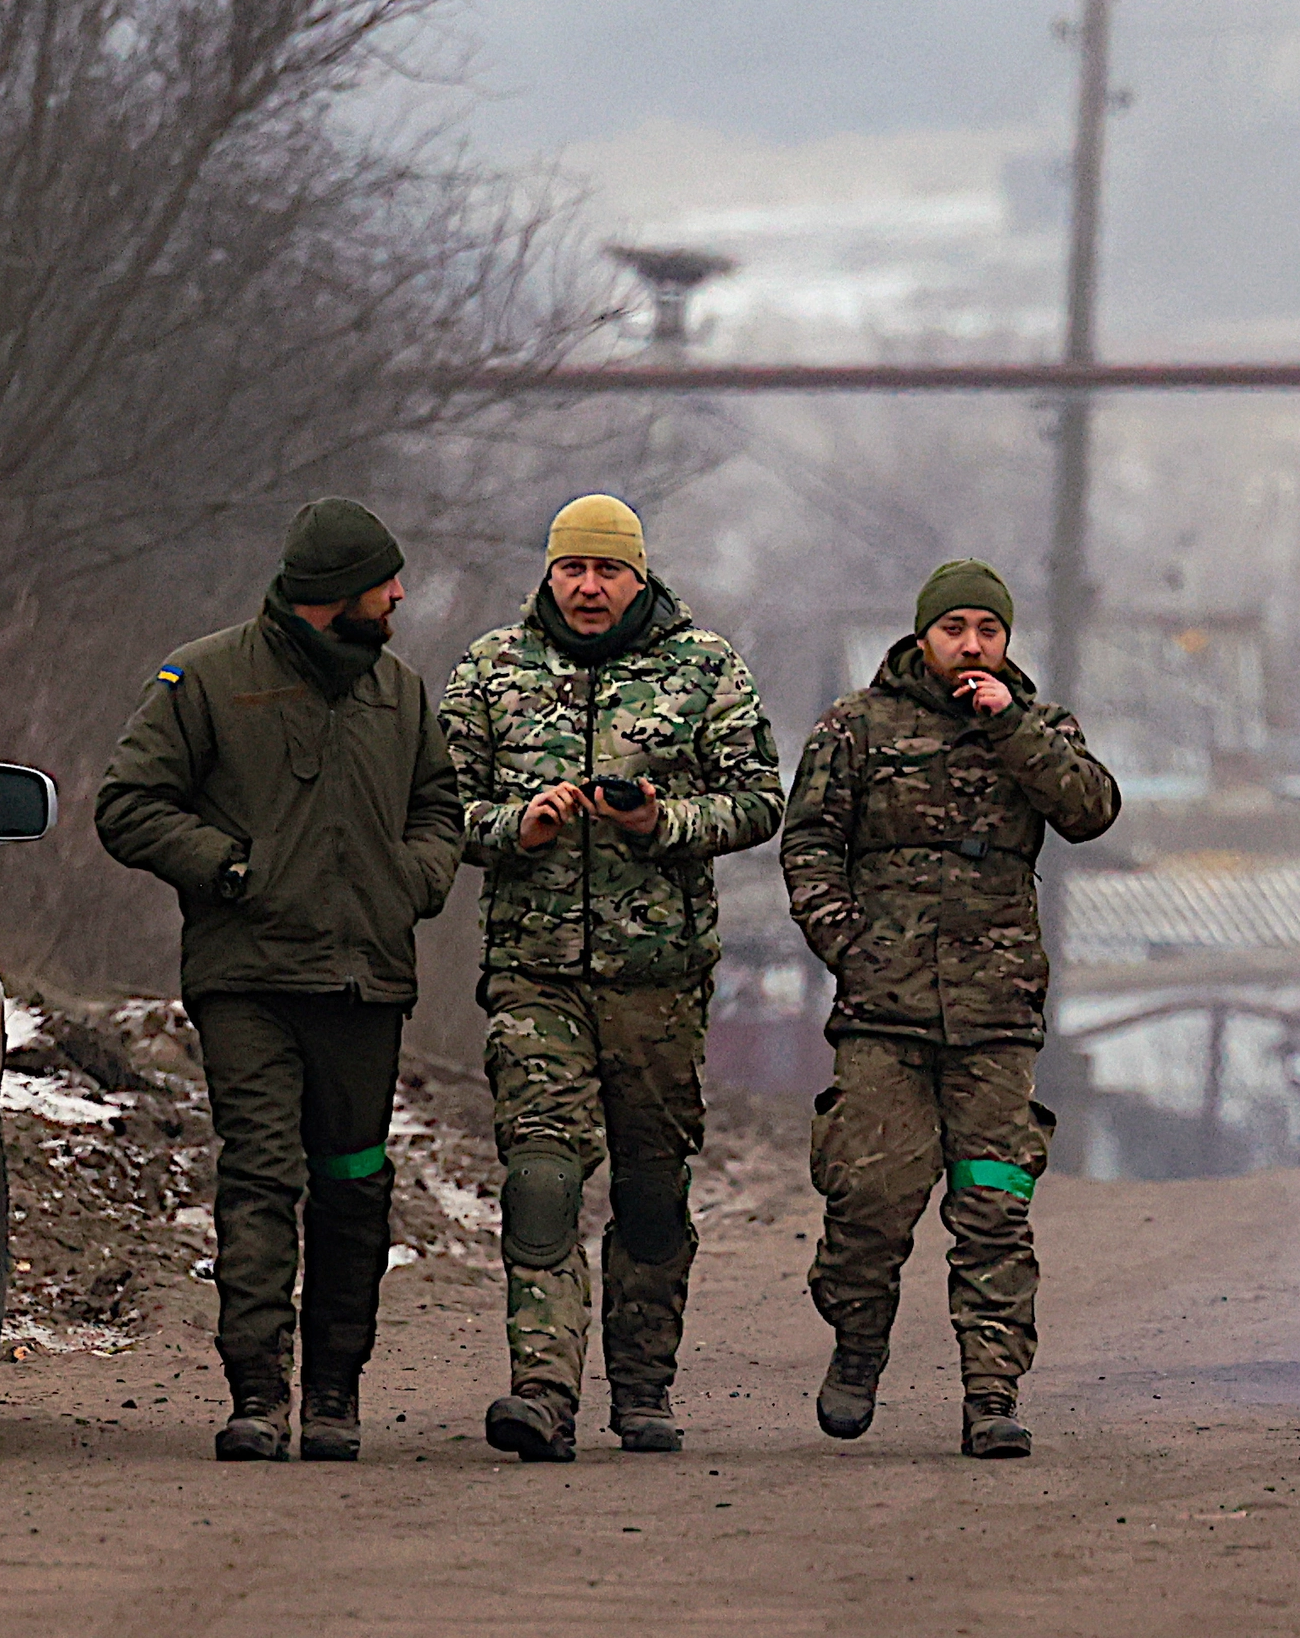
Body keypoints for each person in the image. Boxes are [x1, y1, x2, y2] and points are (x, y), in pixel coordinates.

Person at [96, 498, 461, 1462]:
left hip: (364, 982)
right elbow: (128, 804)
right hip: (248, 977)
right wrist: (229, 868)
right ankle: (258, 1389)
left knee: (353, 1183)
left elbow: (440, 808)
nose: (400, 595)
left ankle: (336, 1389)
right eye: (387, 581)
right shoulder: (206, 678)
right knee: (260, 1171)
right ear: (336, 595)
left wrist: (411, 881)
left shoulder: (402, 693)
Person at [438, 494, 783, 1462]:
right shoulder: (491, 670)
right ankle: (542, 1389)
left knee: (649, 1190)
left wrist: (659, 822)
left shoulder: (702, 667)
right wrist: (517, 825)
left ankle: (642, 1384)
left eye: (607, 570)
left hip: (656, 978)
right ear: (548, 574)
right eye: (571, 570)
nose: (588, 588)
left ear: (639, 575)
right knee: (541, 1175)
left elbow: (760, 798)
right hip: (532, 973)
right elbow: (435, 809)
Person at [781, 559, 1119, 1458]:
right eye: (955, 628)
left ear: (1007, 642)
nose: (972, 645)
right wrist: (848, 944)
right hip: (883, 1013)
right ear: (922, 636)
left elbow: (1090, 810)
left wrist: (1011, 730)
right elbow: (809, 842)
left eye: (989, 630)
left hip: (995, 1014)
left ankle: (991, 1391)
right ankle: (858, 1345)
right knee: (870, 1198)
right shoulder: (856, 727)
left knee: (995, 1204)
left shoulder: (1040, 727)